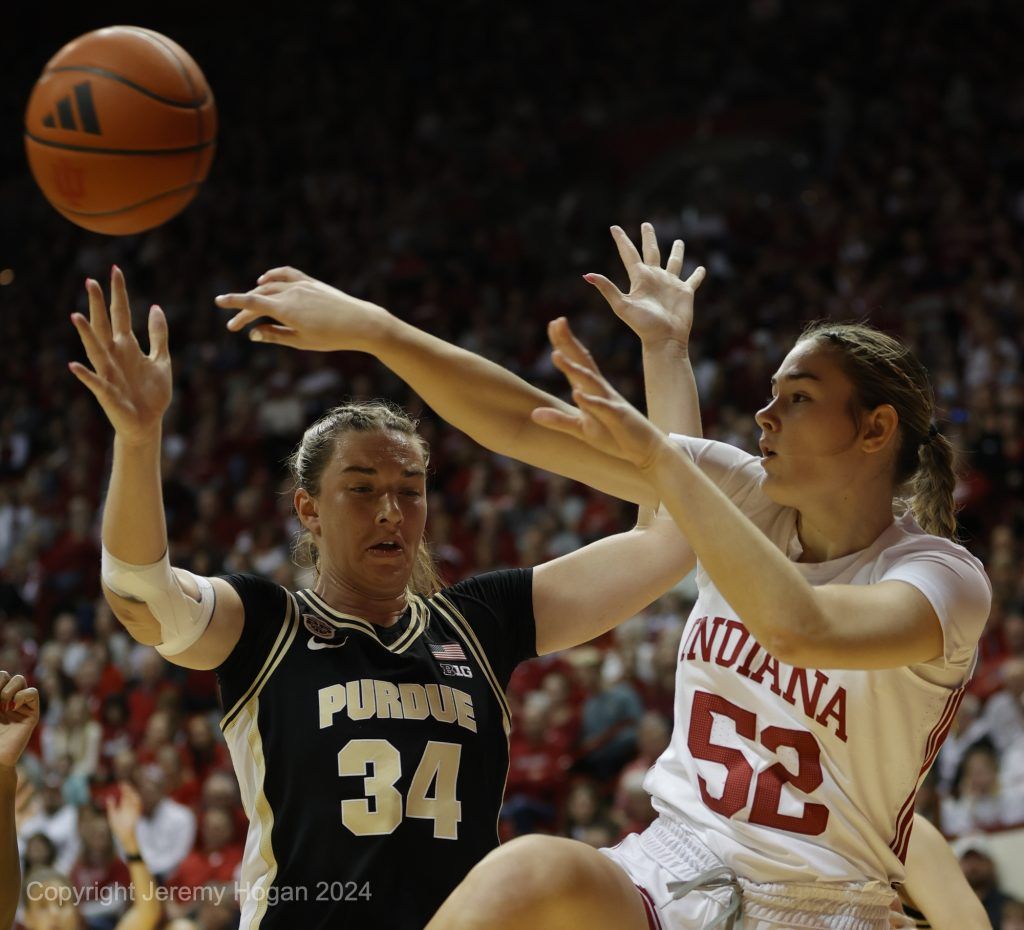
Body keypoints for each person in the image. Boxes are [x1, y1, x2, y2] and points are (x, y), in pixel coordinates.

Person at [215, 223, 991, 930]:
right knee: (532, 868)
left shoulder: (941, 578)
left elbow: (801, 627)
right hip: (672, 868)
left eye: (798, 397)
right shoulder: (743, 492)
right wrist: (375, 330)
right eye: (769, 393)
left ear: (876, 428)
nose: (764, 416)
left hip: (821, 902)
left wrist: (664, 460)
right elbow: (522, 422)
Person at [69, 264, 698, 930]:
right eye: (363, 489)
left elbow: (676, 534)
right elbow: (139, 594)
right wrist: (138, 442)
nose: (392, 511)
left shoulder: (483, 622)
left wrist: (665, 351)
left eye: (411, 488)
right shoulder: (267, 624)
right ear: (309, 510)